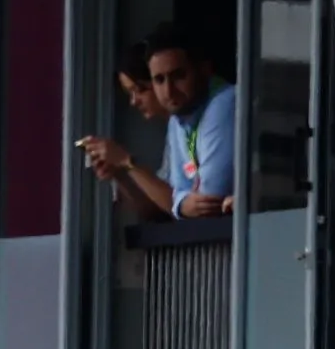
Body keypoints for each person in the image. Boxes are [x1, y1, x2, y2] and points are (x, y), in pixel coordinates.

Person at [79, 26, 236, 222]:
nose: (169, 91)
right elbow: (159, 207)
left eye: (178, 76)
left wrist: (128, 163)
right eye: (159, 80)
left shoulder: (224, 103)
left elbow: (206, 202)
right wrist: (121, 172)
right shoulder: (178, 120)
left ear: (204, 70)